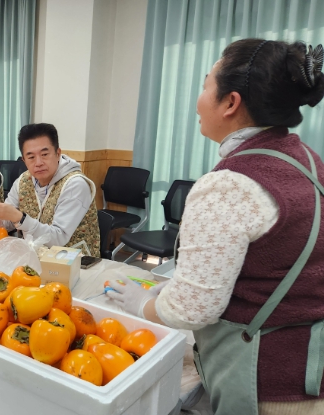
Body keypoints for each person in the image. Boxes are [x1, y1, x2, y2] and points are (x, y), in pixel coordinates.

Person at [107, 40, 324, 415]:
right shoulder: (306, 158)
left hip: (267, 381)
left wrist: (143, 304)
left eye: (206, 85)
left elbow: (192, 310)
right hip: (310, 363)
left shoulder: (229, 185)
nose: (198, 101)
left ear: (230, 103)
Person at [0, 123, 100, 254]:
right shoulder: (23, 181)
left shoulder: (75, 184)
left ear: (58, 153)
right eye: (31, 157)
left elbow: (58, 238)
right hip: (34, 257)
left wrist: (20, 218)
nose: (38, 163)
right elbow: (4, 225)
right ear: (24, 160)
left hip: (75, 261)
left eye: (45, 154)